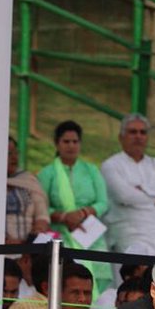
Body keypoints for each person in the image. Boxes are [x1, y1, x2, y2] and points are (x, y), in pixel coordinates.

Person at [38, 121, 112, 291]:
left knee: (98, 279)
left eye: (75, 141)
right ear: (57, 143)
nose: (71, 146)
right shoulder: (47, 173)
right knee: (65, 280)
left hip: (90, 233)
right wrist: (64, 217)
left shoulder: (91, 170)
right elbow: (41, 208)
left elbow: (103, 203)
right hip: (61, 234)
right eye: (66, 141)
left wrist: (83, 213)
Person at [100, 114, 155, 256]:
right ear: (121, 137)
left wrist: (143, 188)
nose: (138, 137)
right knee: (144, 270)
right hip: (130, 228)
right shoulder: (110, 165)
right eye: (133, 132)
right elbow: (125, 196)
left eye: (143, 132)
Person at [6, 137, 49, 243]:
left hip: (28, 248)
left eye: (16, 153)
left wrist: (33, 239)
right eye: (9, 153)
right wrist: (6, 241)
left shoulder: (28, 180)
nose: (14, 157)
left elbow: (42, 214)